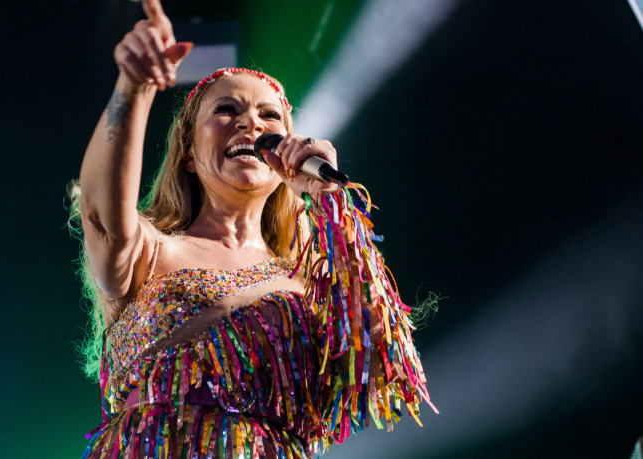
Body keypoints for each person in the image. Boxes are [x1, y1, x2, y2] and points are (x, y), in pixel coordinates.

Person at [70, 1, 435, 457]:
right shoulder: (150, 252)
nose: (250, 123)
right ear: (187, 152)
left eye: (270, 116)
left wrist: (327, 199)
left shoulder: (308, 282)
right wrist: (135, 87)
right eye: (226, 109)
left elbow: (380, 366)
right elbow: (102, 216)